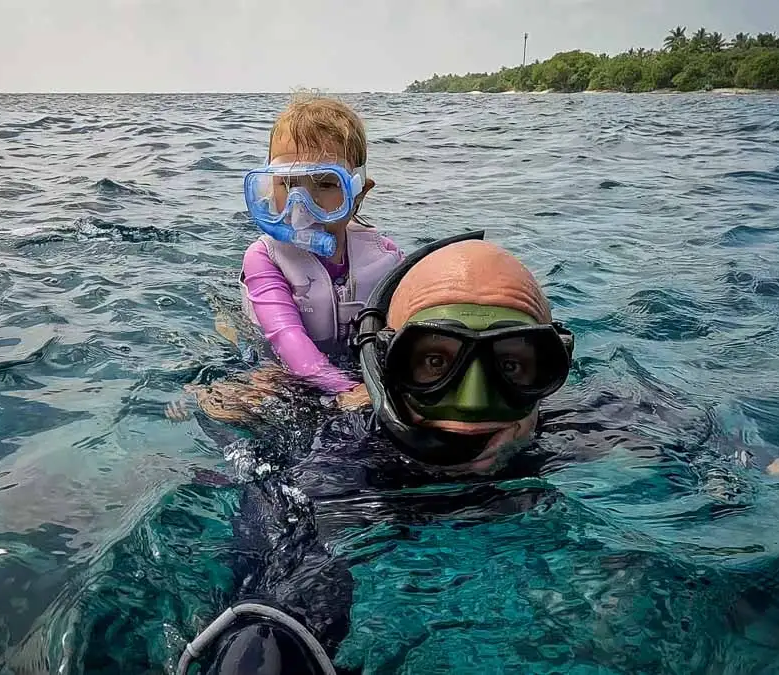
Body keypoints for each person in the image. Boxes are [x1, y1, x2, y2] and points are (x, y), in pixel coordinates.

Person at [177, 230, 588, 674]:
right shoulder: (341, 459)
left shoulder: (587, 427)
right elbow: (288, 575)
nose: (472, 403)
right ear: (384, 367)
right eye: (434, 362)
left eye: (510, 364)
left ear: (550, 369)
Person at [239, 94, 404, 405]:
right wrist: (345, 389)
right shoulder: (264, 258)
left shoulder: (385, 256)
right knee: (240, 401)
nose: (301, 205)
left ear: (358, 193)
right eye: (286, 184)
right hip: (283, 367)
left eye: (326, 184)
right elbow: (287, 337)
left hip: (354, 368)